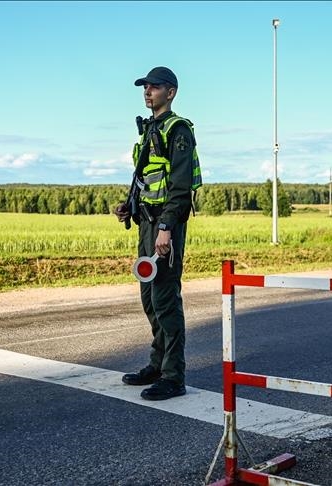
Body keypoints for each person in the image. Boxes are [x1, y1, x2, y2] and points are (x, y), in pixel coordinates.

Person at [113, 66, 199, 401]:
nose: (147, 92)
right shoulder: (151, 129)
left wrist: (166, 228)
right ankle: (157, 364)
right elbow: (146, 178)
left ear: (171, 92)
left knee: (165, 299)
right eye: (145, 87)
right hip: (147, 223)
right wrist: (129, 205)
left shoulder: (177, 130)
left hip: (166, 226)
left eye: (154, 87)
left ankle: (173, 376)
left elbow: (180, 186)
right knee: (149, 298)